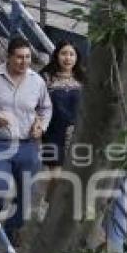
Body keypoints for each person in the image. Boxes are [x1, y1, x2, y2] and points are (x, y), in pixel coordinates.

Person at [0, 36, 51, 247]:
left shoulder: (37, 81)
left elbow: (45, 107)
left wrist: (42, 125)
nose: (24, 62)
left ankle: (13, 227)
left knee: (25, 192)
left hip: (27, 145)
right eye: (19, 58)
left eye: (28, 57)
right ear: (8, 57)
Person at [39, 41, 86, 196]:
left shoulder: (82, 79)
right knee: (57, 176)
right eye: (64, 53)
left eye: (72, 54)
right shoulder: (45, 78)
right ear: (57, 55)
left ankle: (52, 208)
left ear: (77, 58)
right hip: (52, 133)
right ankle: (47, 206)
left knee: (71, 178)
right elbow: (33, 103)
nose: (68, 58)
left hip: (77, 134)